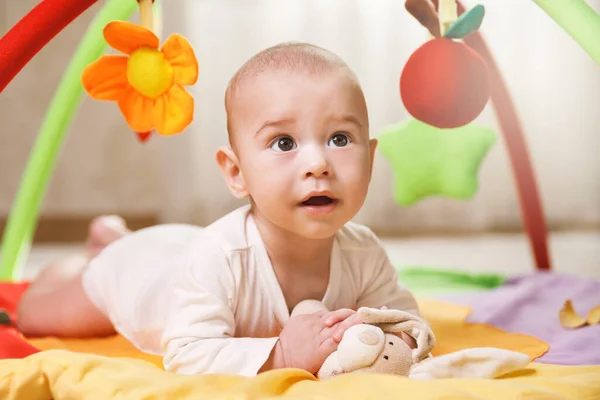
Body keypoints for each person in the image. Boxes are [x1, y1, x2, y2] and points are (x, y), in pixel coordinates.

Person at [17, 42, 427, 377]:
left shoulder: (364, 252)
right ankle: (102, 249)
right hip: (137, 277)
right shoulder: (219, 259)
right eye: (284, 143)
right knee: (35, 313)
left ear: (371, 161)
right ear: (236, 173)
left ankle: (116, 236)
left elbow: (406, 318)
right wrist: (282, 354)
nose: (318, 164)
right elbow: (187, 353)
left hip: (183, 249)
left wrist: (398, 340)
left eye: (340, 138)